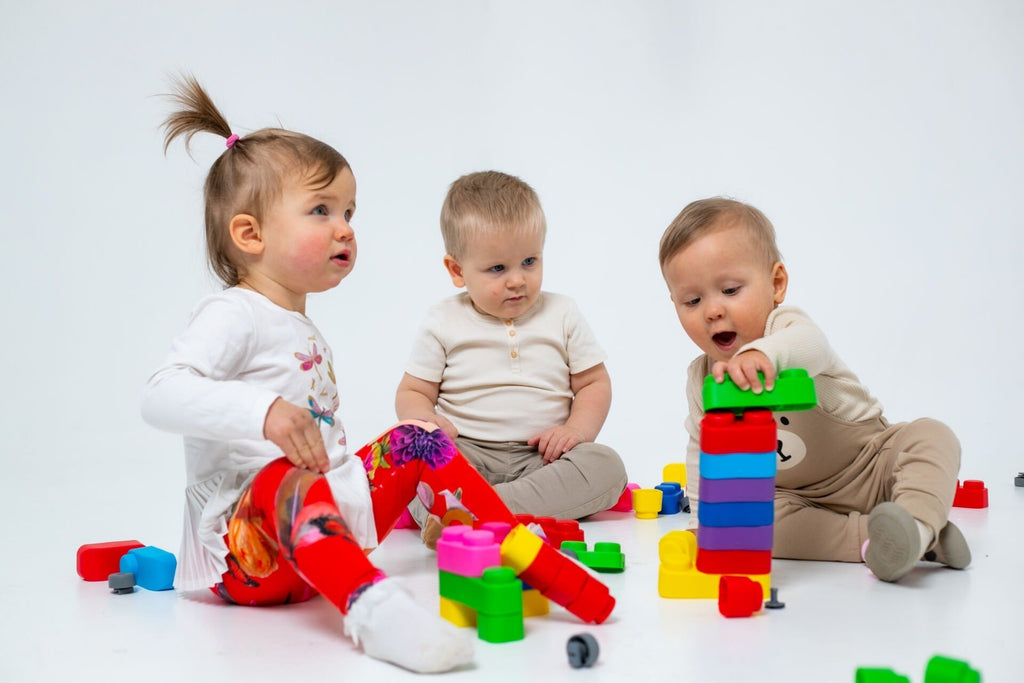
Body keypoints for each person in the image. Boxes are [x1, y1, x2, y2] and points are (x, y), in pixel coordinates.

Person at [141, 77, 613, 674]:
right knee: (284, 479)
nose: (345, 227)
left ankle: (516, 547)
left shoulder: (295, 322)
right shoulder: (233, 314)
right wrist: (264, 413)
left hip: (321, 539)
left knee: (419, 438)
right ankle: (376, 615)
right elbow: (160, 393)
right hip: (251, 555)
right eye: (321, 211)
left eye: (348, 212)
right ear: (250, 235)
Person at [658, 197, 971, 583]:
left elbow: (812, 347)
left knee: (932, 436)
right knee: (758, 523)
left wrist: (764, 355)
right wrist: (704, 522)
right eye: (692, 300)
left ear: (776, 284)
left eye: (730, 290)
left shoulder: (787, 329)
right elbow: (702, 451)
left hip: (872, 466)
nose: (712, 310)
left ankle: (920, 522)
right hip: (794, 497)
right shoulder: (701, 378)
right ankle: (886, 541)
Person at [395, 171, 627, 542]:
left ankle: (473, 512)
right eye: (498, 269)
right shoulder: (443, 320)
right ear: (457, 270)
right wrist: (426, 419)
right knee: (416, 467)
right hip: (468, 455)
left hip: (541, 460)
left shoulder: (562, 313)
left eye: (530, 262)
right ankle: (484, 507)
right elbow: (413, 392)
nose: (517, 279)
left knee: (607, 467)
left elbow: (593, 383)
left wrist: (574, 432)